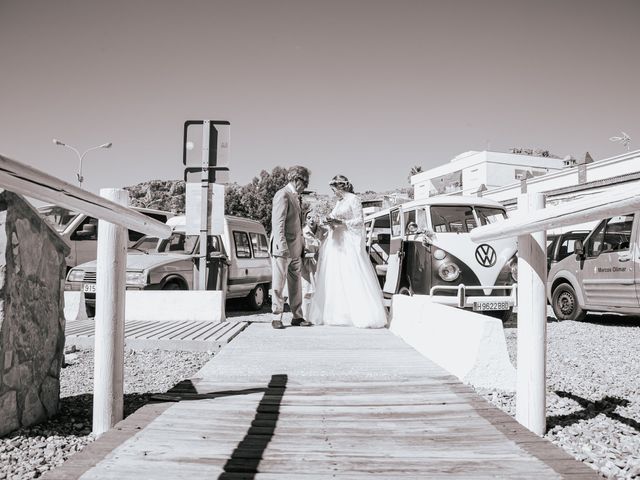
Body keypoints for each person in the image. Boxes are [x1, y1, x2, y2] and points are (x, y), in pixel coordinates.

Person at [309, 175, 387, 328]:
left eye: (334, 189)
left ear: (341, 186)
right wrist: (329, 222)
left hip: (348, 242)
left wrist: (342, 223)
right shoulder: (338, 203)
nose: (333, 192)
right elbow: (334, 219)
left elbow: (359, 221)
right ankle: (337, 315)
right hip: (335, 242)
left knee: (351, 274)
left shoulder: (354, 199)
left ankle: (360, 314)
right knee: (335, 277)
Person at [270, 166, 313, 329]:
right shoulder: (282, 195)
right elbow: (278, 223)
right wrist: (282, 246)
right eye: (305, 182)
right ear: (297, 179)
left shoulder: (296, 197)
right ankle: (277, 316)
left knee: (296, 284)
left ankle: (297, 316)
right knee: (278, 284)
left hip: (296, 247)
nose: (306, 187)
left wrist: (302, 247)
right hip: (282, 247)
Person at [301, 210, 322, 319]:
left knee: (320, 290)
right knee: (307, 290)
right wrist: (310, 254)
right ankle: (305, 317)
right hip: (307, 266)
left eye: (314, 217)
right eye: (309, 217)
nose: (311, 220)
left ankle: (318, 317)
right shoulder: (302, 233)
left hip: (321, 266)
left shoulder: (323, 231)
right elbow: (300, 252)